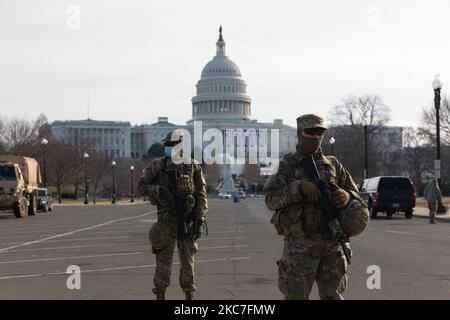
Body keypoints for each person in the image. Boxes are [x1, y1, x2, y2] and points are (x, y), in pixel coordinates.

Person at [264, 114, 369, 300]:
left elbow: (357, 195)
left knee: (333, 296)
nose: (315, 136)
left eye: (320, 132)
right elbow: (270, 199)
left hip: (332, 241)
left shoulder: (333, 164)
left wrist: (346, 196)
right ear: (299, 133)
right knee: (296, 296)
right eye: (310, 132)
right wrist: (298, 188)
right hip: (300, 244)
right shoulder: (286, 166)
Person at [137, 130, 208, 300]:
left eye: (173, 145)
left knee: (188, 262)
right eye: (168, 145)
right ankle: (160, 294)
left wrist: (199, 217)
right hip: (166, 221)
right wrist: (158, 190)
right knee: (163, 262)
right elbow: (141, 186)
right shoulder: (158, 166)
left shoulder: (192, 165)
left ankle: (189, 295)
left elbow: (201, 194)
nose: (170, 148)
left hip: (187, 220)